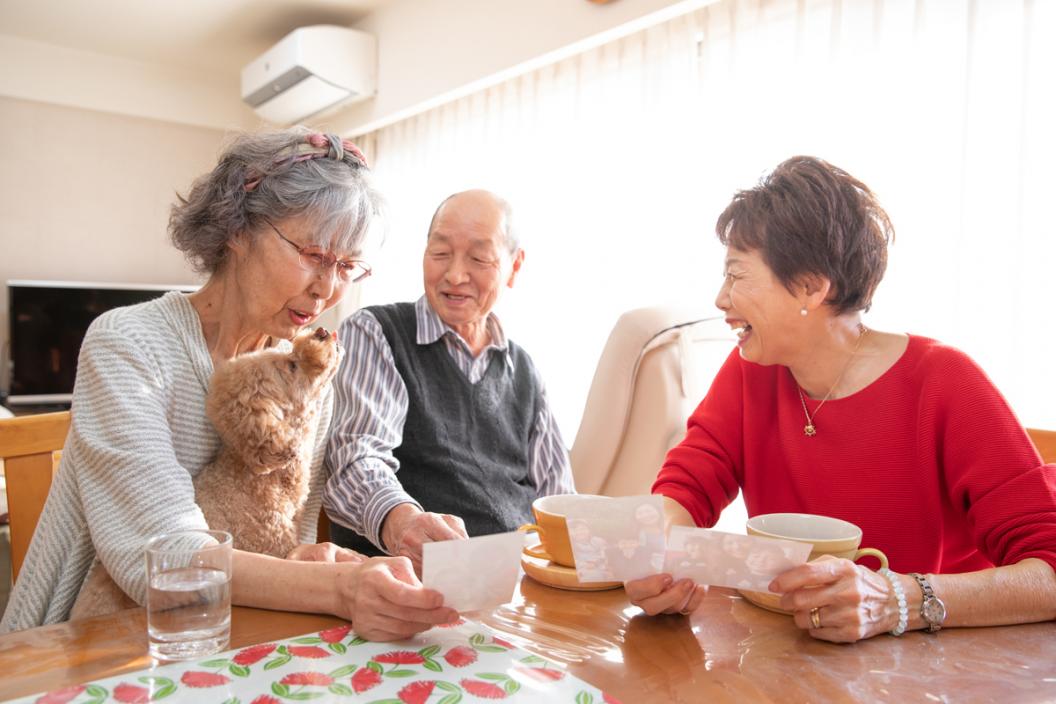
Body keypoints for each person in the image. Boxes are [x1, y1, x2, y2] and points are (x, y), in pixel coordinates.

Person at [1, 129, 457, 641]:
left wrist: (309, 558)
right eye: (312, 254)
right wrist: (338, 587)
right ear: (237, 229)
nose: (328, 289)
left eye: (347, 267)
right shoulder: (126, 343)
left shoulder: (301, 372)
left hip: (225, 634)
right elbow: (166, 559)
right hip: (84, 644)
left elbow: (282, 530)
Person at [626, 156, 1056, 642]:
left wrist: (896, 601)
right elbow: (688, 486)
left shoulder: (944, 382)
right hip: (794, 658)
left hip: (936, 670)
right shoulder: (752, 371)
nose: (721, 299)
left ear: (811, 286)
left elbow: (1049, 572)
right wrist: (657, 554)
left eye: (737, 275)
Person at [324, 189, 575, 570]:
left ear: (515, 267)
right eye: (440, 253)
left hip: (517, 584)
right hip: (412, 582)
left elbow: (559, 501)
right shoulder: (376, 332)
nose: (455, 275)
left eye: (479, 258)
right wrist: (401, 521)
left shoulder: (524, 369)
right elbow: (356, 457)